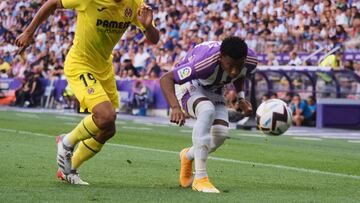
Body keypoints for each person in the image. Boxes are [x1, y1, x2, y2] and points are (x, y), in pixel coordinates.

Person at [15, 0, 159, 185]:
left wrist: (147, 27)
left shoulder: (135, 4)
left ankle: (68, 170)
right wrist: (28, 32)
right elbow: (52, 3)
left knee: (108, 129)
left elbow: (154, 39)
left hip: (104, 68)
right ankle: (66, 142)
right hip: (80, 63)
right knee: (106, 116)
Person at [160, 37, 256, 193]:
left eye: (238, 65)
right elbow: (166, 79)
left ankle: (188, 155)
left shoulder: (250, 61)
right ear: (220, 57)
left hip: (215, 89)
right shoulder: (205, 63)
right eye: (230, 66)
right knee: (206, 110)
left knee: (220, 135)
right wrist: (175, 107)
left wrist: (241, 99)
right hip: (190, 85)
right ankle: (200, 179)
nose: (233, 71)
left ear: (245, 59)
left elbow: (240, 75)